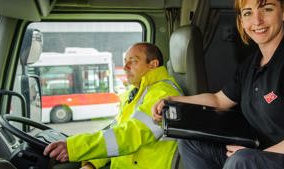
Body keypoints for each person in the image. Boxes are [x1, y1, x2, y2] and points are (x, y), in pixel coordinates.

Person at [153, 0, 284, 169]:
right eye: (248, 13)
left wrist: (259, 156)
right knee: (190, 142)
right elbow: (218, 100)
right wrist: (173, 100)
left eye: (267, 9)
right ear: (241, 21)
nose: (257, 21)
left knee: (241, 161)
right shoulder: (251, 65)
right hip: (263, 155)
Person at [44, 42, 182, 169]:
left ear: (153, 64)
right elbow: (115, 133)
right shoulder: (136, 93)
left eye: (133, 61)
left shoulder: (162, 94)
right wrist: (93, 163)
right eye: (125, 61)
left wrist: (74, 147)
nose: (125, 67)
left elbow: (129, 136)